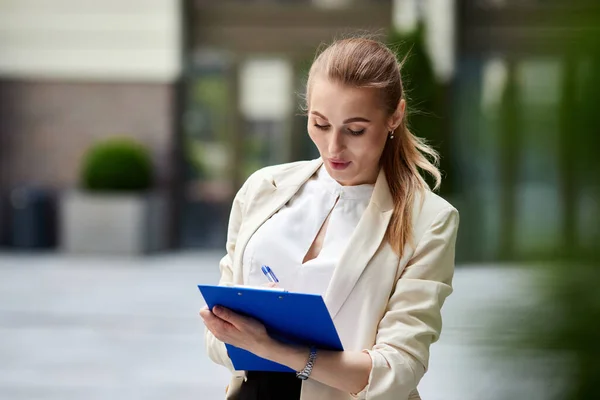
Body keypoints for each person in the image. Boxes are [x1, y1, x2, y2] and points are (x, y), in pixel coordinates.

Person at [200, 37, 459, 400]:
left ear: (395, 117)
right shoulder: (263, 189)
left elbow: (398, 370)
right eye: (320, 124)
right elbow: (217, 339)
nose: (334, 148)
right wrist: (223, 331)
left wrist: (274, 348)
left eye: (355, 130)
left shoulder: (429, 220)